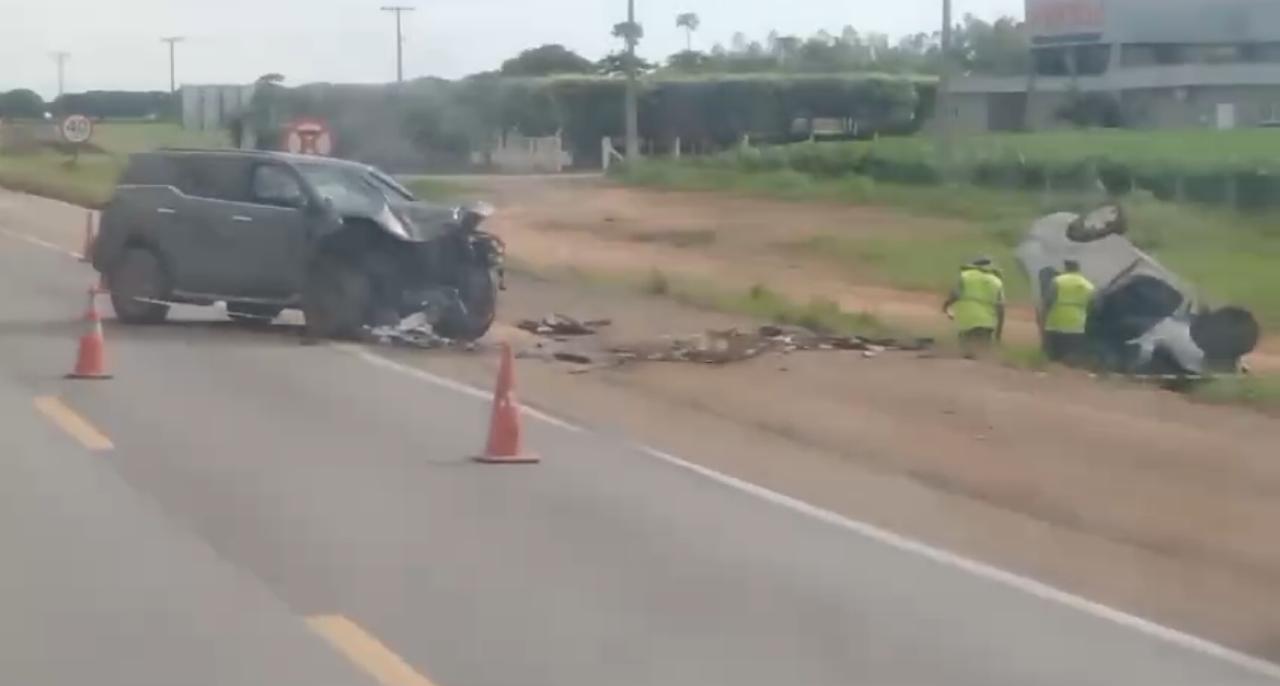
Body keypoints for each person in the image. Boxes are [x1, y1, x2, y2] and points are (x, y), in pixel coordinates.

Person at [942, 257, 1005, 359]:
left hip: (967, 322)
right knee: (982, 354)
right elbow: (1001, 308)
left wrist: (946, 306)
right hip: (987, 325)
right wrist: (998, 334)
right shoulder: (997, 282)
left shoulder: (965, 276)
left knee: (965, 354)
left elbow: (955, 295)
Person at [1042, 259, 1096, 365]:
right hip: (1077, 325)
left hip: (1055, 323)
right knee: (1072, 360)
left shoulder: (1057, 281)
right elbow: (1092, 307)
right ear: (1078, 269)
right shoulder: (1089, 285)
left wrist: (1043, 319)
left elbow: (1048, 302)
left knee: (1053, 359)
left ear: (1066, 268)